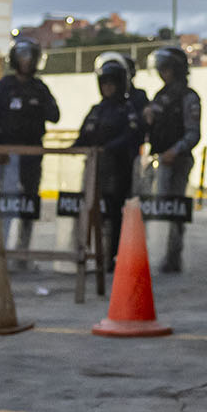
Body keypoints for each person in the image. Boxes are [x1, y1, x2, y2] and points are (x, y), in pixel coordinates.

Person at [0, 36, 60, 253]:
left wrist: (36, 104)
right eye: (22, 57)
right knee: (7, 199)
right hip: (8, 154)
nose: (27, 61)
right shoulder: (4, 86)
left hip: (32, 153)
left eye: (31, 57)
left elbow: (55, 115)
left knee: (29, 199)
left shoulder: (39, 88)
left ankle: (24, 247)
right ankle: (3, 246)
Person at [74, 57, 145, 271]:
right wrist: (72, 149)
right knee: (94, 211)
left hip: (118, 170)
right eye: (104, 84)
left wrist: (109, 148)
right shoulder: (97, 110)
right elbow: (83, 135)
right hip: (95, 170)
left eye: (111, 84)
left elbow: (133, 135)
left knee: (115, 214)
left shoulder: (127, 109)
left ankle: (113, 255)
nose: (107, 88)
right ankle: (87, 252)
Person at [142, 45, 201, 272]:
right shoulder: (160, 95)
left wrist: (174, 151)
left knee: (174, 210)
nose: (162, 73)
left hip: (177, 161)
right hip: (157, 161)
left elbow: (193, 133)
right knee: (155, 210)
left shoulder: (188, 97)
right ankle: (154, 252)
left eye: (165, 69)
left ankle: (172, 256)